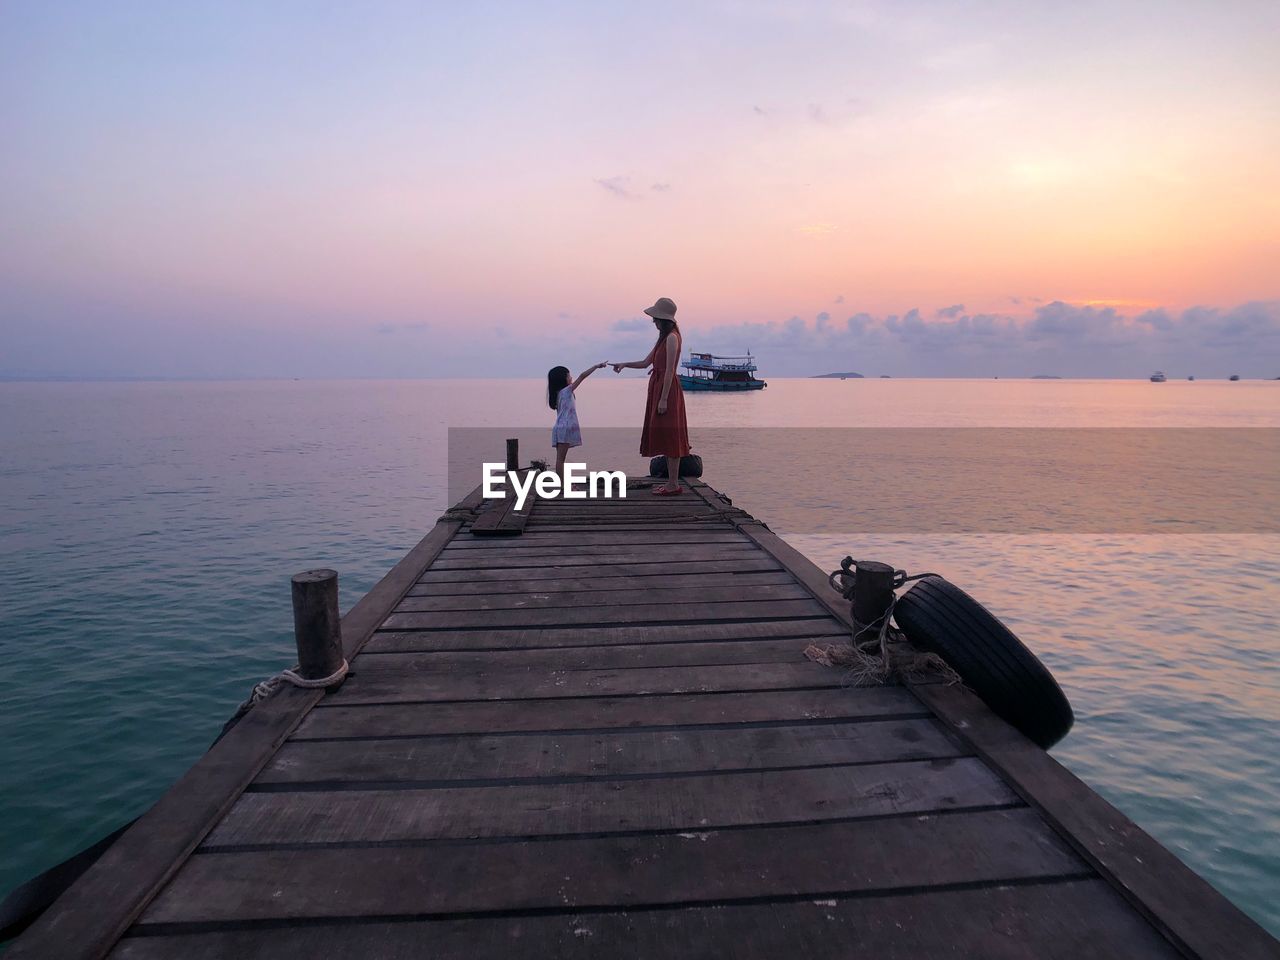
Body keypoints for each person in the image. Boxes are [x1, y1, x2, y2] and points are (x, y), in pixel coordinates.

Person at [611, 297, 691, 495]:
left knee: (672, 435)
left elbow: (670, 370)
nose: (653, 321)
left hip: (667, 390)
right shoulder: (663, 339)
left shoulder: (672, 337)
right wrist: (624, 364)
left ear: (663, 319)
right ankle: (672, 483)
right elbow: (647, 362)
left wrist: (664, 399)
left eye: (655, 318)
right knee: (665, 433)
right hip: (659, 388)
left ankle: (673, 484)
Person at [547, 362, 607, 479]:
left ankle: (563, 484)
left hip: (561, 428)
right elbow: (582, 376)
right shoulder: (566, 391)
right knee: (560, 460)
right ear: (562, 379)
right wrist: (595, 367)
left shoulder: (557, 394)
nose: (571, 378)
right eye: (569, 376)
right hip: (564, 428)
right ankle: (562, 485)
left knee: (560, 459)